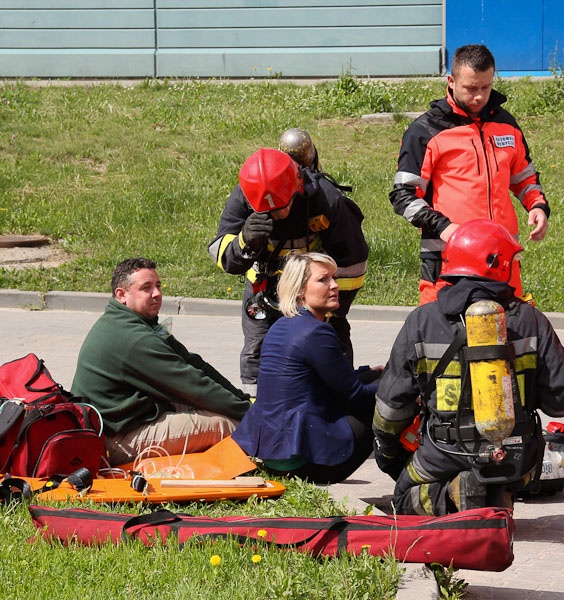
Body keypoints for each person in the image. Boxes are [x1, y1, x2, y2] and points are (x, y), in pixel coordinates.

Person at [374, 219, 564, 515]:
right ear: (499, 265)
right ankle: (500, 490)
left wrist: (387, 450)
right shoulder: (530, 319)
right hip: (516, 456)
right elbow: (561, 402)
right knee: (509, 466)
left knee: (403, 498)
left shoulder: (422, 321)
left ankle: (453, 495)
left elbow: (392, 406)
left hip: (445, 453)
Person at [390, 43, 550, 304]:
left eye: (486, 88)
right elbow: (403, 197)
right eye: (471, 88)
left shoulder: (506, 124)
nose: (479, 97)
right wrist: (445, 228)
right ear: (451, 81)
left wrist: (538, 206)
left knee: (507, 339)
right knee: (444, 342)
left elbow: (524, 179)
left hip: (502, 262)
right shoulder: (425, 131)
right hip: (448, 264)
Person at [209, 148, 369, 396]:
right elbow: (222, 257)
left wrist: (331, 310)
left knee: (330, 351)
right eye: (269, 210)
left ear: (298, 186)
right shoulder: (244, 197)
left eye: (283, 206)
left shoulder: (327, 199)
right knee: (258, 357)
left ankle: (336, 417)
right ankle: (259, 415)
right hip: (262, 296)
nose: (277, 214)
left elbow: (354, 264)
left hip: (314, 300)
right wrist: (245, 241)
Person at [71, 257, 251, 466]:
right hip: (114, 440)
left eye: (158, 286)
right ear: (121, 295)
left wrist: (241, 398)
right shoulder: (133, 338)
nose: (156, 294)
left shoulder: (132, 321)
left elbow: (194, 365)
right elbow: (192, 385)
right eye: (146, 288)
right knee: (228, 424)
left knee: (222, 408)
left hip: (129, 417)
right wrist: (249, 414)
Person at [232, 253, 379, 484]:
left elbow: (328, 379)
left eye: (334, 278)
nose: (334, 286)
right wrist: (397, 386)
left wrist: (371, 373)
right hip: (306, 465)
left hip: (273, 456)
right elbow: (355, 396)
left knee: (379, 381)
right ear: (300, 290)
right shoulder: (317, 332)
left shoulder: (282, 325)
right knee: (394, 400)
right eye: (323, 280)